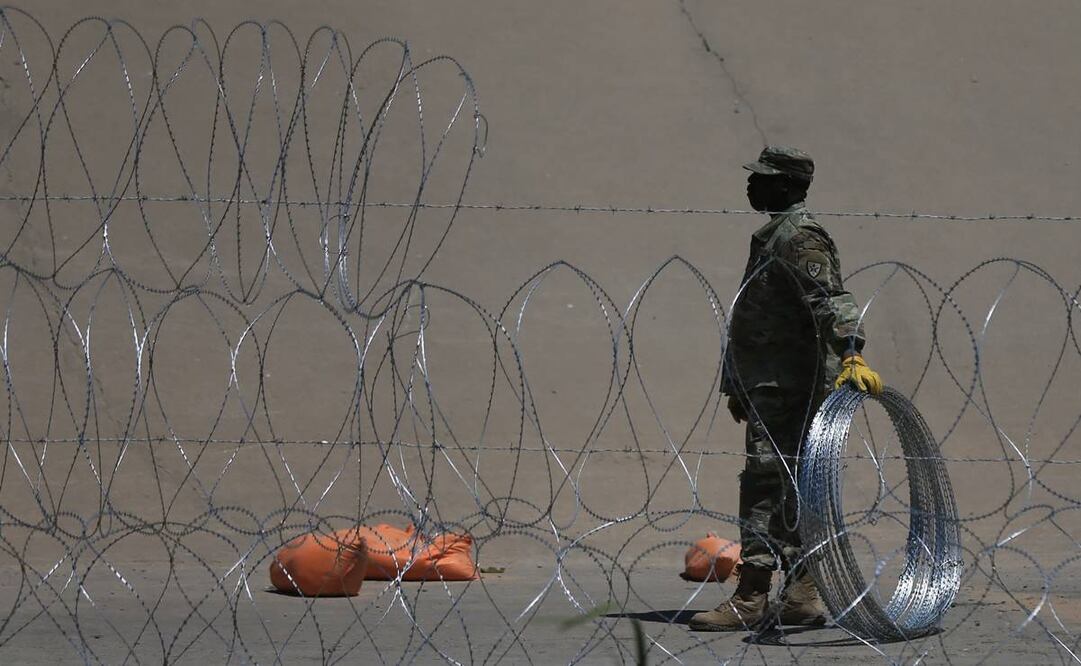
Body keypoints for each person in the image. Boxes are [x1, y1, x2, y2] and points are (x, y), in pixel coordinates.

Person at [688, 146, 883, 632]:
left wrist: (852, 349)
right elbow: (758, 317)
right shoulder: (776, 234)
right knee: (790, 484)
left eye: (765, 178)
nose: (752, 185)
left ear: (791, 186)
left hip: (792, 387)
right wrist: (739, 383)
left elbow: (830, 299)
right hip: (770, 384)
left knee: (765, 484)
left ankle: (752, 596)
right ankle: (800, 593)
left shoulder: (799, 237)